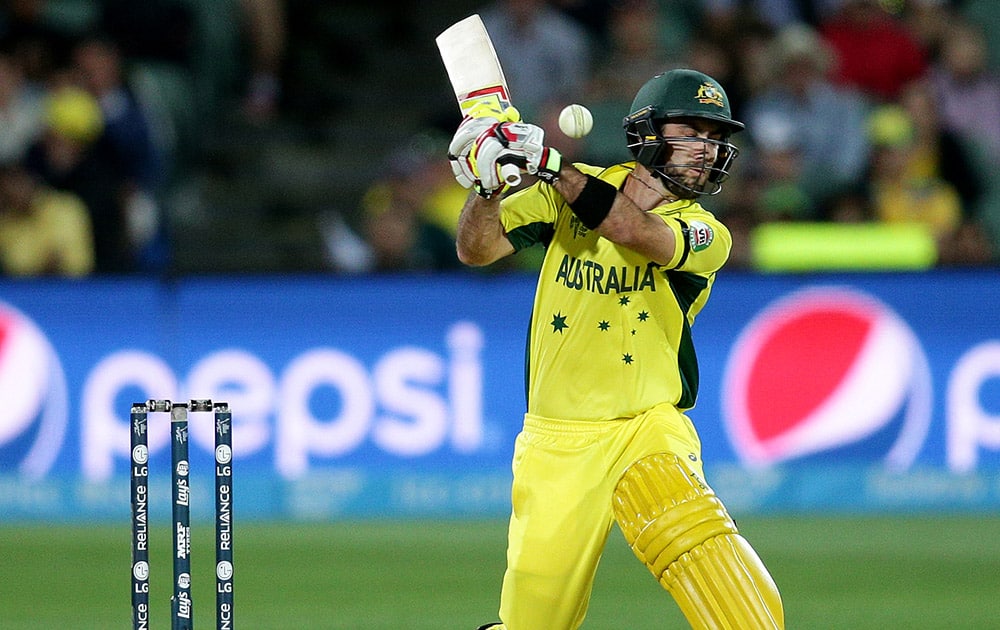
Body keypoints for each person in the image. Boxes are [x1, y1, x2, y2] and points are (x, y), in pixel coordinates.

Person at [447, 69, 784, 629]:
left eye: (715, 136)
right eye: (692, 131)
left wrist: (550, 166)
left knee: (713, 568)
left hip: (645, 425)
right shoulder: (565, 195)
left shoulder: (705, 233)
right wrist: (487, 189)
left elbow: (633, 232)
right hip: (555, 441)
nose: (708, 150)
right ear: (649, 132)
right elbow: (476, 251)